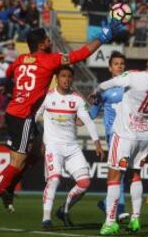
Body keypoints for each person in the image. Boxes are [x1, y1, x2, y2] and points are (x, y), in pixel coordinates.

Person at [0, 20, 126, 229]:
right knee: (17, 162)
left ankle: (8, 190)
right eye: (47, 39)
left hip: (12, 111)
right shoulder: (48, 60)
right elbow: (79, 55)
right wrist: (102, 37)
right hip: (24, 115)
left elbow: (10, 74)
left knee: (35, 153)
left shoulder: (20, 60)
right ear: (41, 45)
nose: (50, 40)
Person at [98, 46, 148, 235]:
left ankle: (110, 222)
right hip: (144, 134)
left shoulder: (134, 76)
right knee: (135, 175)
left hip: (125, 133)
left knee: (114, 176)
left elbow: (107, 84)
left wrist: (96, 91)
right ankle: (136, 219)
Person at [35, 66, 104, 229]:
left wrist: (97, 142)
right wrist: (42, 139)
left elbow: (87, 120)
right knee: (54, 179)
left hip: (72, 147)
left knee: (85, 183)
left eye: (69, 77)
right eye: (63, 76)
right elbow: (35, 116)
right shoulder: (47, 97)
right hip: (53, 146)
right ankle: (46, 218)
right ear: (57, 78)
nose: (66, 79)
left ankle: (64, 210)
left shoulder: (77, 99)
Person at [89, 51, 129, 221]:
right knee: (118, 171)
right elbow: (92, 113)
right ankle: (118, 210)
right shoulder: (103, 89)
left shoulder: (130, 87)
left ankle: (107, 203)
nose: (119, 66)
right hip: (114, 135)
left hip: (129, 134)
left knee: (123, 173)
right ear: (110, 68)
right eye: (116, 64)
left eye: (122, 63)